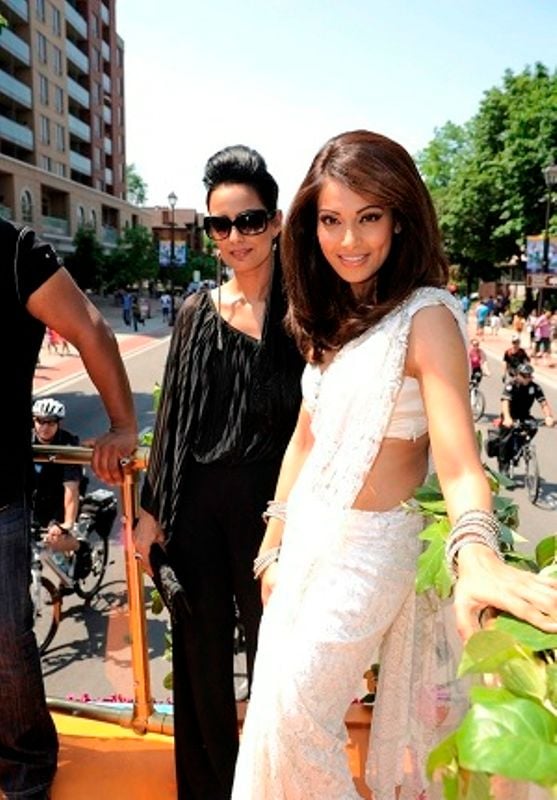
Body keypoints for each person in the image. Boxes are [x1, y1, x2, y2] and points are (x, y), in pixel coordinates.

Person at [231, 130, 557, 799]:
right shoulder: (334, 315)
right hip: (305, 554)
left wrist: (479, 557)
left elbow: (460, 463)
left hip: (369, 557)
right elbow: (305, 437)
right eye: (331, 220)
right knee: (269, 722)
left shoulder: (426, 315)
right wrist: (271, 545)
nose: (348, 240)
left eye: (368, 217)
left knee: (295, 721)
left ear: (399, 217)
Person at [133, 145, 303, 800]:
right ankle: (208, 789)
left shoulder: (306, 314)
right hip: (197, 513)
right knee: (201, 664)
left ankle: (269, 786)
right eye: (220, 225)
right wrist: (151, 516)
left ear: (277, 221)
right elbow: (172, 421)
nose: (236, 238)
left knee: (277, 661)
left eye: (250, 221)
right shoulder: (194, 314)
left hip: (277, 515)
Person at [0, 217, 137, 800]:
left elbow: (91, 328)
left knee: (6, 640)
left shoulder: (13, 251)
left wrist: (125, 425)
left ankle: (27, 770)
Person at [31, 397, 82, 556]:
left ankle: (81, 547)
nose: (45, 427)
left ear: (59, 423)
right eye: (41, 421)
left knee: (57, 540)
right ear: (34, 421)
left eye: (51, 422)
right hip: (35, 498)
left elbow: (71, 488)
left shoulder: (68, 445)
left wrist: (67, 524)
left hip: (58, 499)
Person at [496, 362, 554, 475]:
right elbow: (505, 402)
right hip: (510, 415)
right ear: (518, 375)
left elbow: (543, 403)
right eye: (525, 375)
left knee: (533, 427)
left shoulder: (535, 387)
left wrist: (548, 417)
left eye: (530, 375)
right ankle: (503, 464)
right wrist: (507, 418)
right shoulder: (511, 385)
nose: (528, 378)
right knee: (505, 439)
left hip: (524, 415)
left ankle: (522, 446)